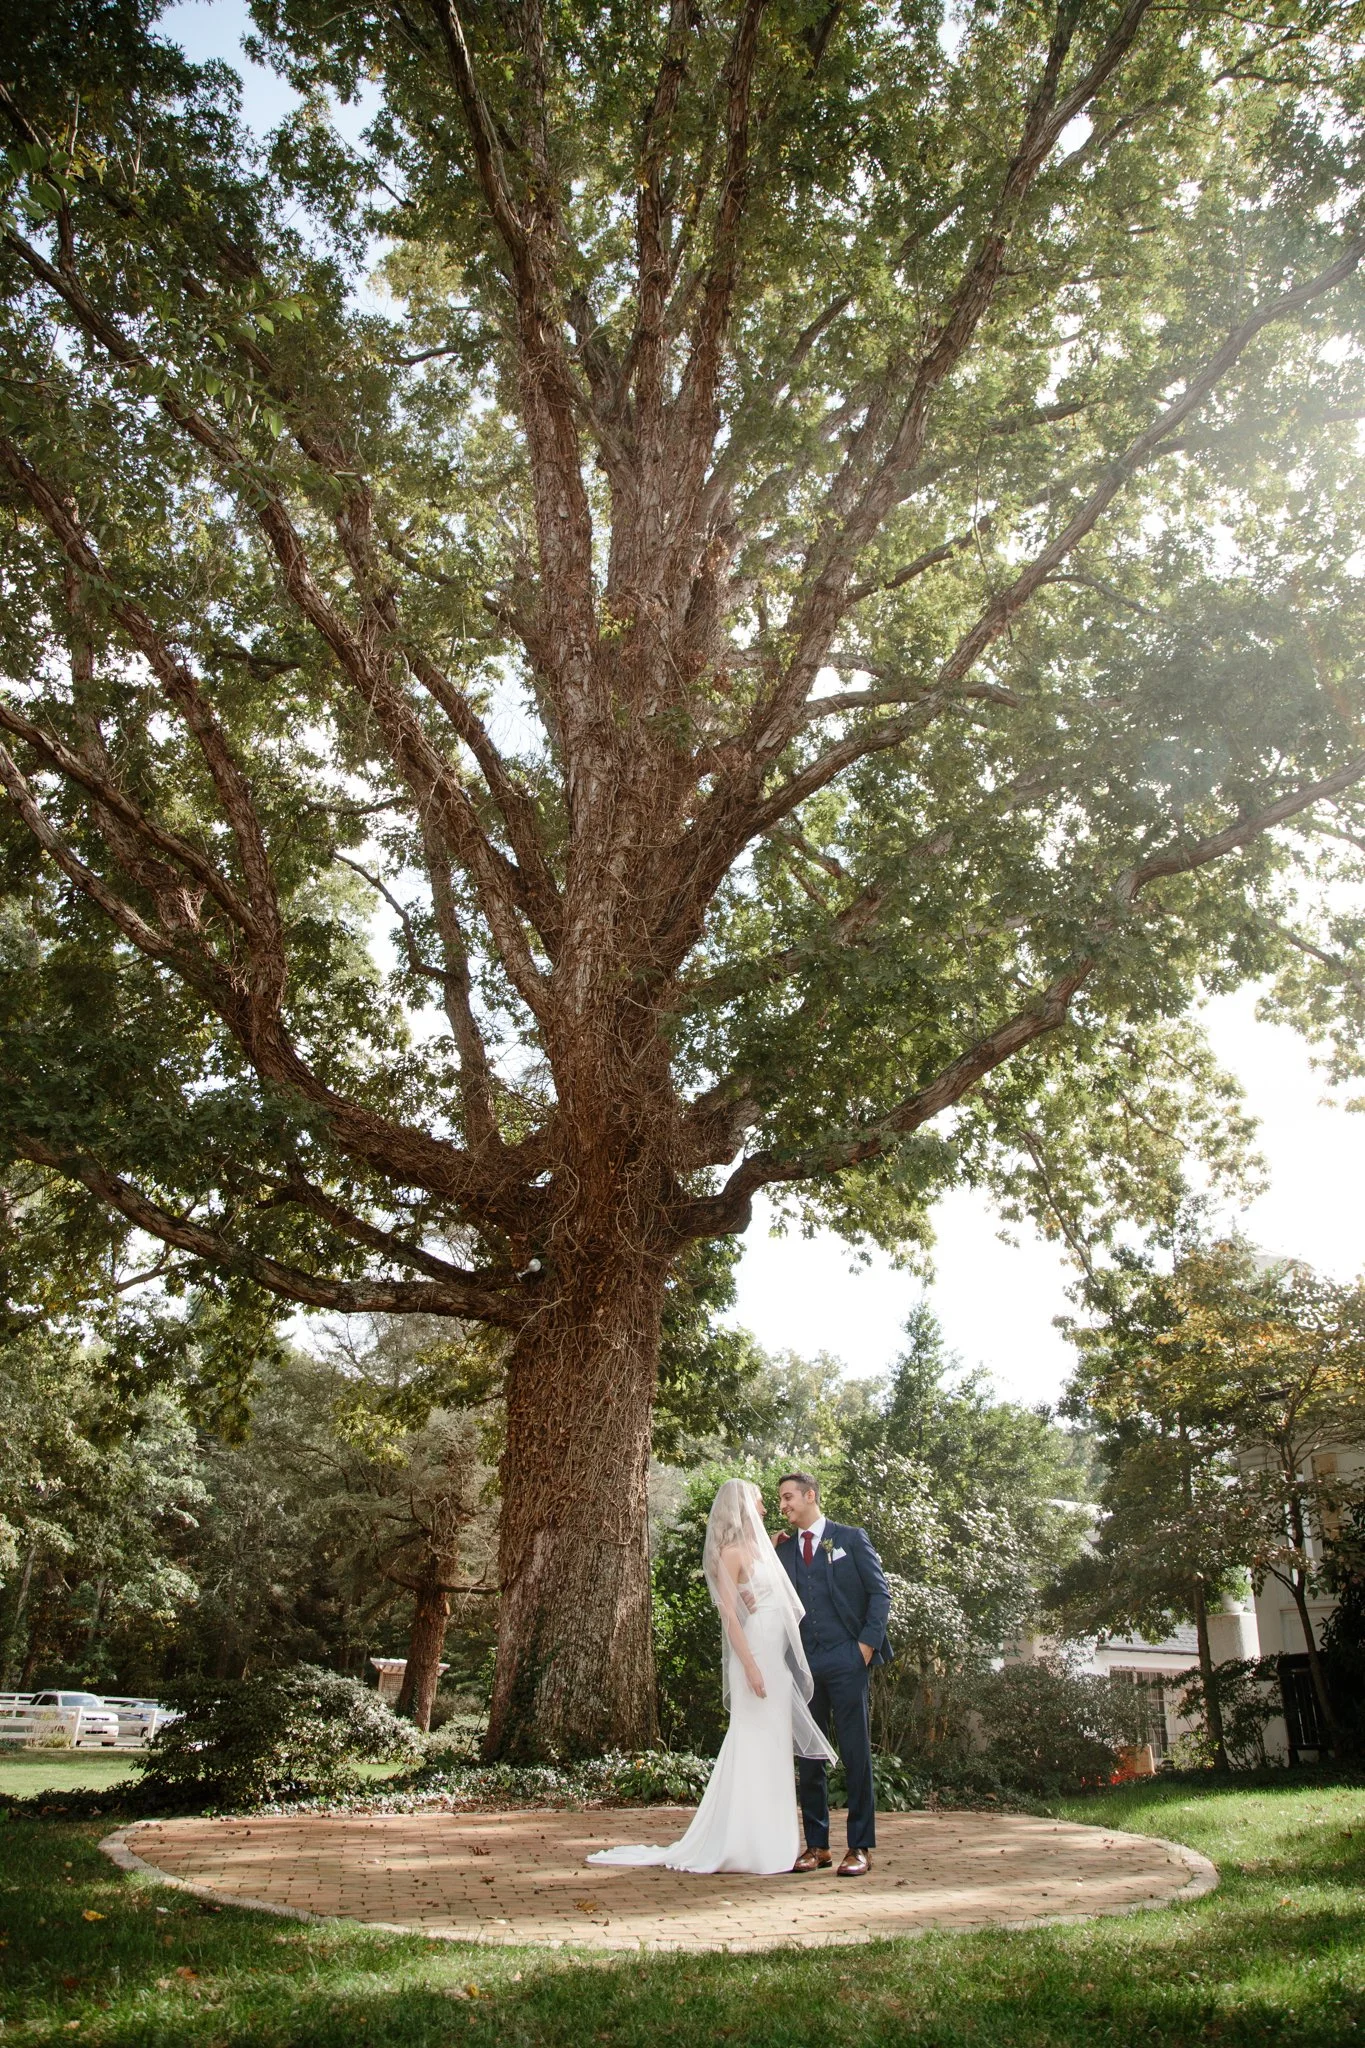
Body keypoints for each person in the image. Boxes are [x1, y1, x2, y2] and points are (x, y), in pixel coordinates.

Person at [586, 1478, 836, 1874]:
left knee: (773, 1748)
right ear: (742, 1507)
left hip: (776, 1661)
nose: (767, 1508)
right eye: (759, 1502)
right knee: (750, 1742)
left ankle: (774, 1841)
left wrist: (769, 1548)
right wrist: (751, 1666)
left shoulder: (762, 1550)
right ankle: (741, 1842)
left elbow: (763, 1588)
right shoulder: (729, 1553)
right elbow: (730, 1619)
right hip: (752, 1658)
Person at [774, 1470, 892, 1877]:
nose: (784, 1505)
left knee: (857, 1752)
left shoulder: (849, 1538)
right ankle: (818, 1846)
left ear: (810, 1496)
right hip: (804, 1666)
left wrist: (864, 1647)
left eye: (789, 1497)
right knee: (809, 1756)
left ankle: (859, 1847)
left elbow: (880, 1593)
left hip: (847, 1659)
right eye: (780, 1500)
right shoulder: (784, 1551)